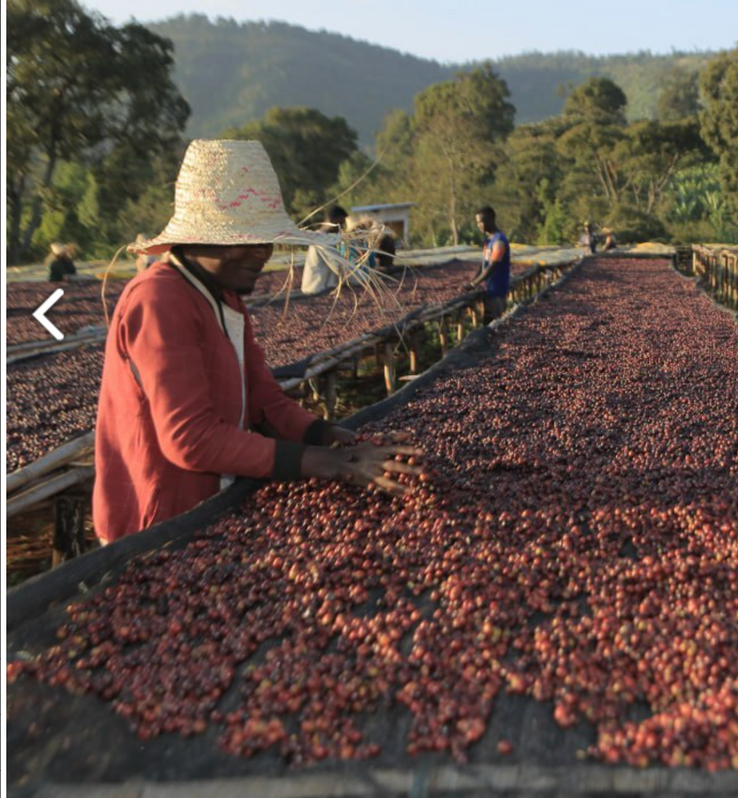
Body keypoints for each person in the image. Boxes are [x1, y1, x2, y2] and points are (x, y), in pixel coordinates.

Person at [94, 140, 421, 545]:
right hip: (155, 526)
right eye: (246, 238)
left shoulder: (225, 297)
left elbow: (266, 404)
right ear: (200, 238)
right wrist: (330, 464)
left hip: (209, 513)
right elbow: (189, 438)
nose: (262, 252)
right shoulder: (159, 298)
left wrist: (340, 440)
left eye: (266, 238)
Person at [466, 206, 510, 322]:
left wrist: (473, 284)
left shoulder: (499, 241)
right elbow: (483, 265)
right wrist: (472, 282)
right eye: (477, 223)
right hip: (488, 291)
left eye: (480, 222)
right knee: (487, 324)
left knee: (497, 325)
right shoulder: (488, 241)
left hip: (497, 291)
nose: (478, 225)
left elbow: (492, 267)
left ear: (490, 220)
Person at [301, 205, 351, 294]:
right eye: (341, 224)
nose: (341, 228)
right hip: (316, 288)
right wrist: (358, 278)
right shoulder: (321, 239)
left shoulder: (325, 237)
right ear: (333, 221)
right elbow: (337, 264)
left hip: (322, 286)